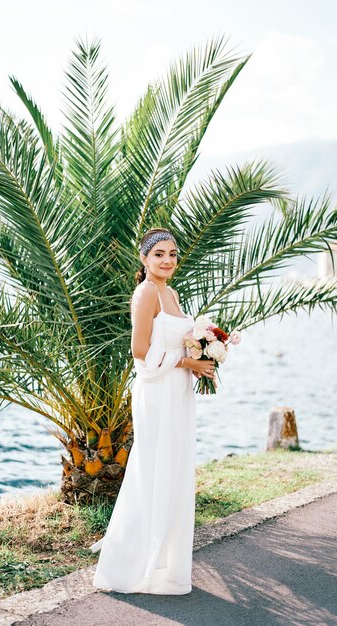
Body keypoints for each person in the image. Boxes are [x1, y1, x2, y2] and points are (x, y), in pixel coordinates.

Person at [89, 227, 216, 594]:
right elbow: (140, 351)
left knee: (173, 470)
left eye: (173, 254)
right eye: (159, 254)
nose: (167, 261)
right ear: (144, 259)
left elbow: (178, 340)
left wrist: (205, 356)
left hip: (177, 392)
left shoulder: (171, 292)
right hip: (157, 390)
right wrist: (188, 364)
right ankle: (130, 563)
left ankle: (163, 561)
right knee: (152, 470)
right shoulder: (146, 293)